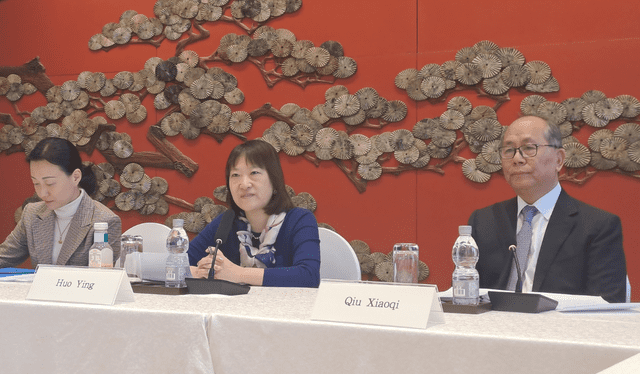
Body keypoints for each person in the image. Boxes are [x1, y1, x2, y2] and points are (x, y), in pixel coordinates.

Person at [468, 116, 627, 303]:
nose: (517, 159)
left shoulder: (598, 226)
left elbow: (606, 304)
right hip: (491, 327)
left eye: (528, 148)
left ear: (559, 160)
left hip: (561, 329)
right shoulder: (484, 220)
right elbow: (466, 292)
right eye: (509, 150)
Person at [189, 140, 321, 287]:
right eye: (235, 175)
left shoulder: (299, 220)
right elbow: (175, 263)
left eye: (254, 173)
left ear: (274, 179)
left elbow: (309, 276)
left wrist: (237, 274)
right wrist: (201, 272)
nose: (244, 184)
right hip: (235, 309)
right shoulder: (226, 223)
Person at [0, 137, 121, 268]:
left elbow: (104, 281)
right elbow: (4, 258)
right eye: (36, 183)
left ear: (75, 177)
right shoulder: (31, 213)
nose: (42, 193)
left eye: (50, 183)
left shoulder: (105, 221)